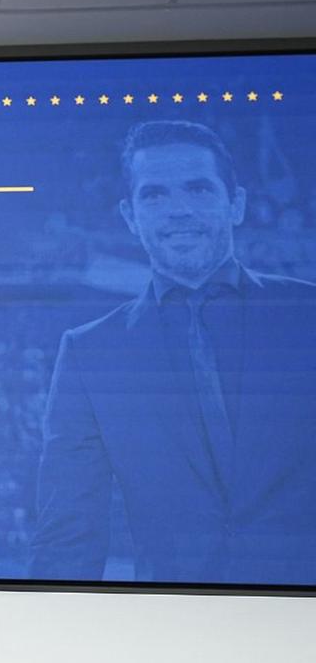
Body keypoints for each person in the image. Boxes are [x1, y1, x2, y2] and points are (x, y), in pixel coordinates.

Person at [31, 120, 316, 585]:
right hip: (169, 624)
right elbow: (69, 531)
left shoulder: (309, 315)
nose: (178, 210)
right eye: (155, 195)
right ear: (130, 216)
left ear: (236, 204)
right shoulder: (90, 351)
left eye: (199, 189)